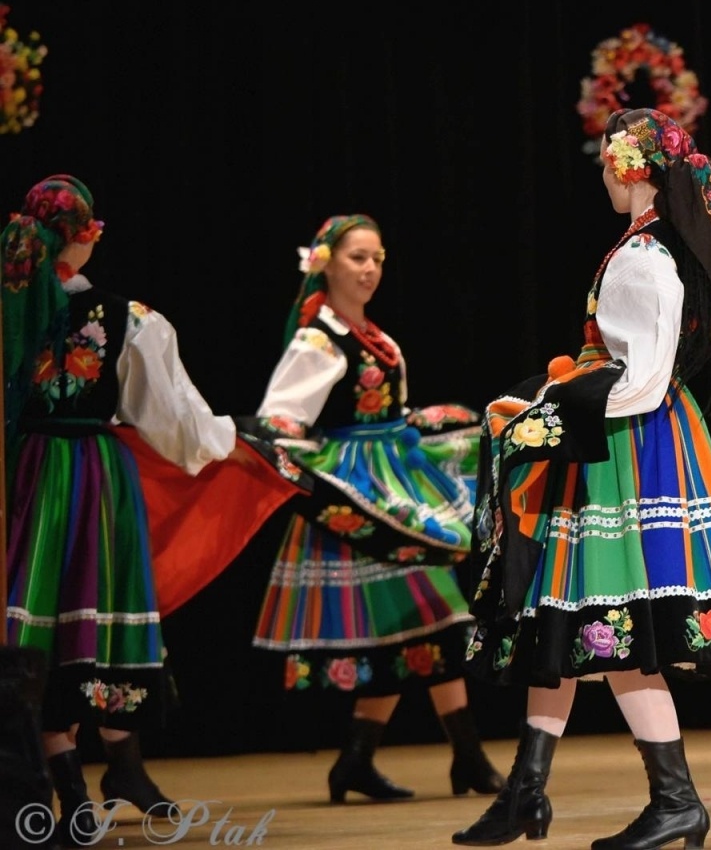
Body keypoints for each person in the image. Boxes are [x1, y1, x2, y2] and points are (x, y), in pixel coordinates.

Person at [454, 108, 711, 849]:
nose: (602, 175)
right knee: (565, 616)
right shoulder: (652, 248)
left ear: (631, 168)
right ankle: (528, 792)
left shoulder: (644, 257)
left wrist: (551, 412)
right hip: (629, 440)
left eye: (605, 162)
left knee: (612, 621)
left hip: (627, 448)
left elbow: (642, 381)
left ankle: (675, 800)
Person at [3, 175, 295, 843]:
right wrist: (229, 438)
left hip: (24, 477)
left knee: (35, 625)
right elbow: (176, 424)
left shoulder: (9, 311)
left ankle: (76, 795)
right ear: (85, 238)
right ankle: (100, 783)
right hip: (91, 480)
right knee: (94, 620)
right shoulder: (127, 320)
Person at [246, 214, 503, 805]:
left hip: (397, 490)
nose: (369, 269)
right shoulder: (318, 340)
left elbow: (391, 409)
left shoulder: (376, 338)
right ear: (325, 264)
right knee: (427, 617)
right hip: (361, 498)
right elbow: (282, 420)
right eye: (357, 257)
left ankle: (372, 761)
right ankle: (452, 757)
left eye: (377, 258)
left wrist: (428, 425)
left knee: (420, 623)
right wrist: (316, 475)